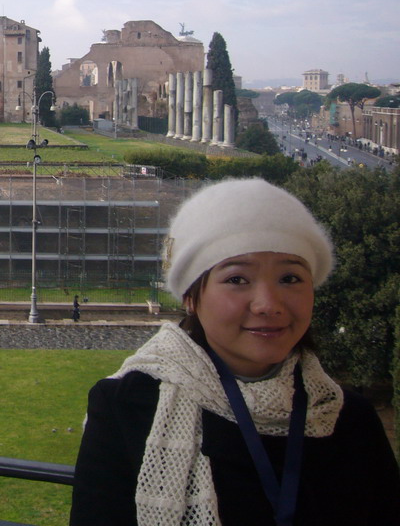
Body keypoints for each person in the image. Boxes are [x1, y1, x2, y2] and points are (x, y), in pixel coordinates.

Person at [70, 179, 400, 525]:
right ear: (191, 296)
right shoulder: (126, 406)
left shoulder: (350, 419)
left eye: (290, 278)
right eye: (238, 279)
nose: (268, 305)